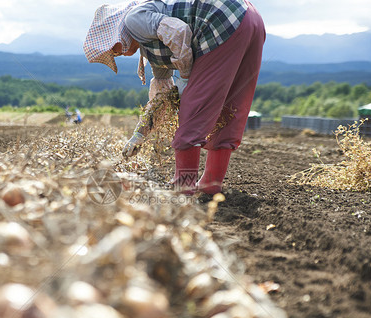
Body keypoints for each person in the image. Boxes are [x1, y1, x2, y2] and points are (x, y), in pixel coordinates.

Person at [84, 0, 265, 195]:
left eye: (115, 49)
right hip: (248, 19)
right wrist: (139, 135)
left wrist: (186, 78)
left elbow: (179, 32)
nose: (119, 54)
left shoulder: (134, 19)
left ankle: (184, 184)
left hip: (218, 19)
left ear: (115, 32)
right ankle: (211, 182)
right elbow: (163, 97)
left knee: (193, 109)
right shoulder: (148, 44)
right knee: (230, 105)